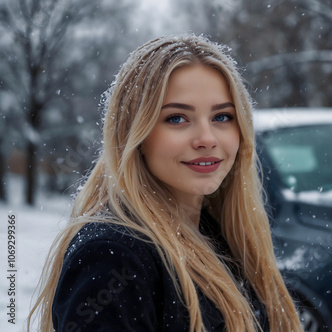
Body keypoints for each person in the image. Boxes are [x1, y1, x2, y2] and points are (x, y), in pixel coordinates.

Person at [28, 34, 303, 331]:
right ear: (136, 134)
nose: (207, 139)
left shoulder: (218, 235)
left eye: (222, 116)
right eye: (177, 118)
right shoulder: (114, 257)